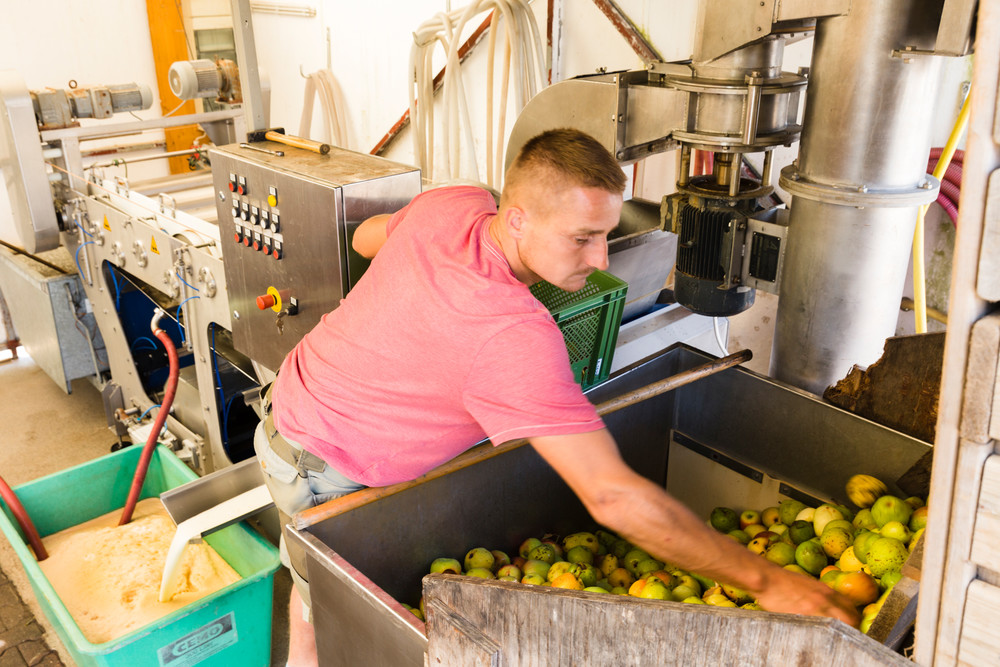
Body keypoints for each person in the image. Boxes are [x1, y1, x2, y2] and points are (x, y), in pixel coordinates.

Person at [255, 128, 860, 666]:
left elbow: (365, 239)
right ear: (516, 219)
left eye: (605, 235)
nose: (599, 262)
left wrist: (415, 298)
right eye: (582, 239)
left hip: (292, 399)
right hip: (324, 465)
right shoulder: (514, 334)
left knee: (310, 600)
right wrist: (769, 582)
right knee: (333, 626)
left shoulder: (457, 202)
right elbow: (613, 497)